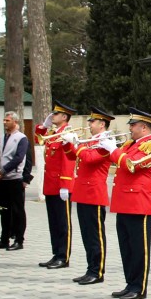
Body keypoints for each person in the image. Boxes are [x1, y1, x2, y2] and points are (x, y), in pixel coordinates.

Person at [109, 109, 151, 299]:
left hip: (139, 203)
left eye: (133, 125)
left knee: (139, 249)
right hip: (124, 202)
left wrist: (113, 150)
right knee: (126, 247)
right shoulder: (131, 144)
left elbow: (133, 165)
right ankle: (130, 283)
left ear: (144, 127)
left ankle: (139, 287)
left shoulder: (149, 145)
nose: (129, 128)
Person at [63, 107, 115, 286]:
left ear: (102, 124)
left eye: (92, 122)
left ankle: (97, 270)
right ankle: (90, 268)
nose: (89, 124)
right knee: (86, 234)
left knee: (95, 235)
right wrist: (67, 143)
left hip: (94, 193)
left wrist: (76, 144)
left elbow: (90, 159)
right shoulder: (91, 140)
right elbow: (72, 156)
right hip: (83, 192)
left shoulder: (106, 141)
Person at [32, 102, 77, 270]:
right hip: (51, 184)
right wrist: (43, 126)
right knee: (54, 221)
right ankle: (56, 252)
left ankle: (63, 256)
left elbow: (68, 160)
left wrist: (65, 184)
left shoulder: (67, 133)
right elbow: (38, 139)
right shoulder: (53, 133)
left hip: (61, 184)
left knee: (63, 222)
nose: (53, 116)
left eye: (56, 114)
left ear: (64, 117)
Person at [0, 111, 30, 251]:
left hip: (14, 179)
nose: (4, 122)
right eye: (3, 120)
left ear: (15, 122)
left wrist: (2, 171)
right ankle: (4, 239)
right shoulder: (2, 137)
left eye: (7, 120)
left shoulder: (21, 138)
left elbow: (19, 158)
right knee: (3, 210)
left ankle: (19, 240)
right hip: (1, 180)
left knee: (17, 210)